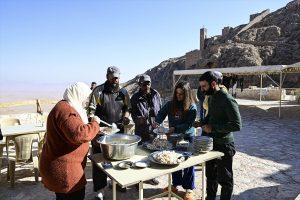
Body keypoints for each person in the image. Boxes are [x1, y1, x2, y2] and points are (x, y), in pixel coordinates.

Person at [39, 82, 100, 200]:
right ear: (78, 95)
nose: (86, 101)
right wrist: (95, 123)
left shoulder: (67, 106)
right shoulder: (65, 110)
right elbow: (79, 134)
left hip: (64, 168)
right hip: (64, 172)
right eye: (86, 97)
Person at [87, 66, 131, 198]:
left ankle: (116, 183)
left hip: (118, 131)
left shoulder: (123, 92)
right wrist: (93, 119)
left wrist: (126, 117)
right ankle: (100, 189)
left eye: (117, 77)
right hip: (101, 132)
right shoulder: (98, 91)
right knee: (100, 160)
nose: (115, 80)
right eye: (113, 77)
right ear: (107, 77)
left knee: (117, 159)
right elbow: (91, 110)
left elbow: (128, 108)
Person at [198, 71, 242, 200]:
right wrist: (201, 122)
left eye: (204, 86)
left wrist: (213, 128)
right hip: (211, 143)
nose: (202, 89)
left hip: (225, 146)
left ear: (213, 84)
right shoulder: (211, 97)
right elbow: (211, 115)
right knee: (210, 176)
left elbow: (237, 125)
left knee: (225, 180)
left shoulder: (228, 100)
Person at [154, 81, 197, 200]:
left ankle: (189, 189)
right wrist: (157, 121)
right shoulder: (170, 104)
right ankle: (175, 184)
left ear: (187, 94)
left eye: (181, 94)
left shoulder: (192, 107)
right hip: (173, 138)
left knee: (188, 163)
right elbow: (161, 113)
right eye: (177, 94)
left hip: (187, 137)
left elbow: (189, 124)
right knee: (173, 161)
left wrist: (175, 128)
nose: (178, 96)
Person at [130, 74, 161, 185]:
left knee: (153, 154)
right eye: (144, 84)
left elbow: (160, 110)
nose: (146, 86)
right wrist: (139, 120)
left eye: (148, 83)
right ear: (139, 84)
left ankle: (151, 176)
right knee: (141, 156)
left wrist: (158, 122)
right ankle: (139, 180)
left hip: (154, 131)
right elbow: (132, 115)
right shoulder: (134, 98)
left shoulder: (156, 94)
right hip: (141, 131)